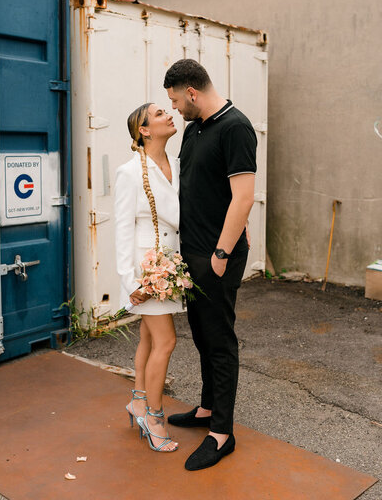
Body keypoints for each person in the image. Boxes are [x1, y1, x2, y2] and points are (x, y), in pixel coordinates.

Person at [163, 59, 257, 471]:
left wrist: (221, 254)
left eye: (175, 99)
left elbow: (243, 195)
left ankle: (222, 433)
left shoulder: (235, 127)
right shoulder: (194, 128)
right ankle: (205, 408)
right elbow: (209, 188)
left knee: (220, 342)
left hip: (215, 256)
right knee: (201, 334)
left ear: (193, 92)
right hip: (193, 251)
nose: (174, 107)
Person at [114, 102, 185, 452]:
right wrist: (132, 283)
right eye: (159, 114)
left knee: (148, 337)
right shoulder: (129, 172)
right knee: (166, 342)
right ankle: (154, 419)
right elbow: (122, 229)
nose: (169, 115)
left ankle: (138, 401)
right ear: (144, 130)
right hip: (148, 270)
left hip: (172, 263)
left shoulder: (178, 164)